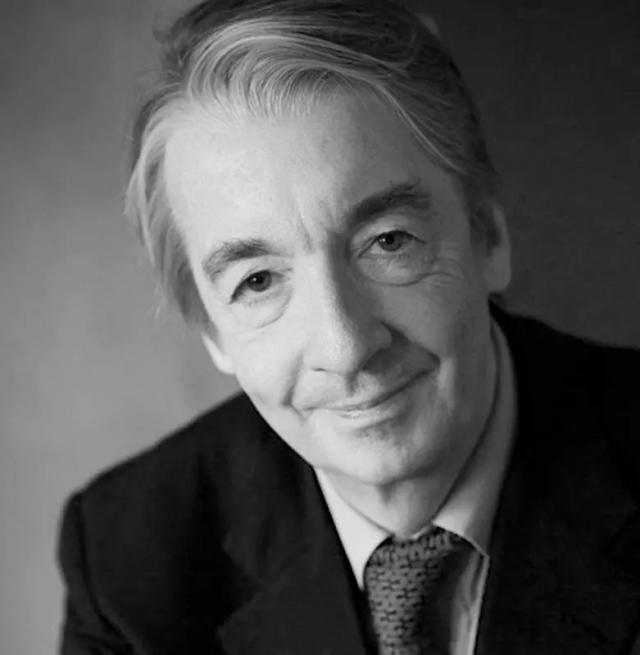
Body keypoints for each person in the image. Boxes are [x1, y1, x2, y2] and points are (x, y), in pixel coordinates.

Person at [57, 1, 640, 653]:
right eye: (259, 281)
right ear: (212, 331)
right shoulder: (127, 561)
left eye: (387, 241)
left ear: (488, 236)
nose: (345, 348)